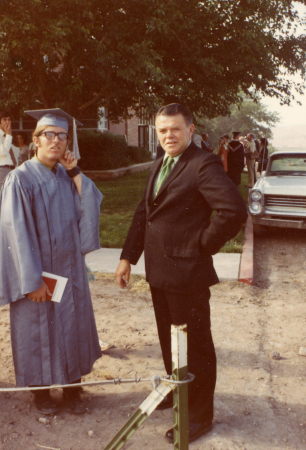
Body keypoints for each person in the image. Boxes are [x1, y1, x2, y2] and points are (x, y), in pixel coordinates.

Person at [115, 103, 247, 443]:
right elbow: (145, 212)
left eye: (175, 129)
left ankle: (199, 416)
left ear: (191, 129)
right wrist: (128, 257)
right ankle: (177, 392)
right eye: (162, 130)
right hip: (160, 273)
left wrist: (201, 245)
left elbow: (232, 210)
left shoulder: (202, 164)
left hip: (188, 274)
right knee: (169, 342)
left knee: (195, 347)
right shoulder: (161, 162)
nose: (168, 135)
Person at [0, 108, 103, 415]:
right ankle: (41, 394)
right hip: (38, 273)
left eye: (62, 136)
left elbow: (90, 206)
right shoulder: (20, 180)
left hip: (69, 272)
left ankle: (72, 388)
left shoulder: (65, 175)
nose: (56, 141)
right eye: (49, 135)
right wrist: (30, 281)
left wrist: (75, 172)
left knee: (71, 326)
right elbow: (14, 233)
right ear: (35, 140)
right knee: (38, 330)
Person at [0, 111, 19, 186]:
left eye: (9, 119)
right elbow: (3, 153)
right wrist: (9, 135)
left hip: (12, 169)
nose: (7, 122)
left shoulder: (7, 135)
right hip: (2, 169)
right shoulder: (7, 135)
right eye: (4, 120)